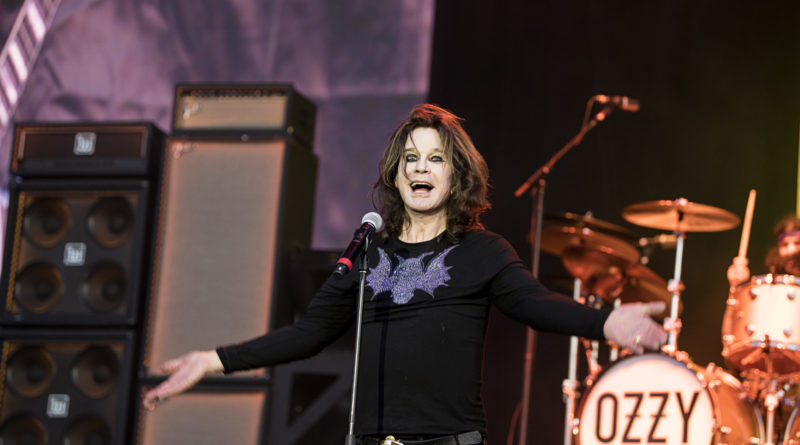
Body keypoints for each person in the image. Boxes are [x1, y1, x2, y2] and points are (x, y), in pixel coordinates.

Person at [143, 104, 667, 444]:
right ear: (396, 173)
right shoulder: (366, 254)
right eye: (410, 158)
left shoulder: (480, 251)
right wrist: (212, 360)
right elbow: (307, 335)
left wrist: (605, 324)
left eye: (434, 158)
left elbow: (534, 303)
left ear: (454, 174)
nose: (420, 167)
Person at [727, 214, 800, 287]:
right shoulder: (771, 281)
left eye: (797, 243)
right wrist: (736, 285)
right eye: (784, 244)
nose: (791, 250)